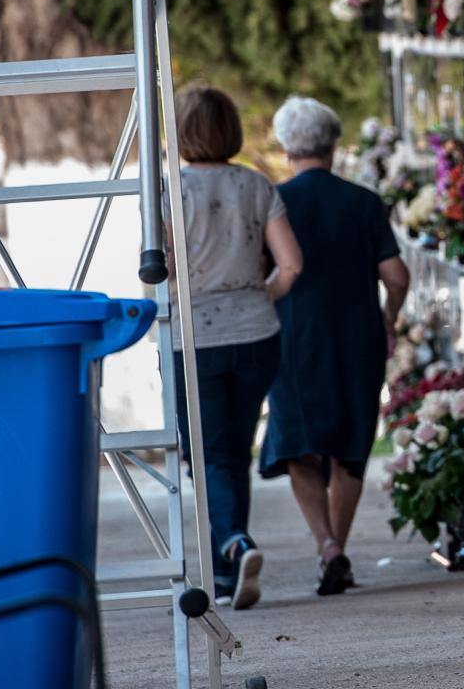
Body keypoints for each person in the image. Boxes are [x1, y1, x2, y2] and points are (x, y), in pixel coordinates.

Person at [261, 96, 410, 596]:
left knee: (300, 445)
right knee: (350, 444)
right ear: (334, 144)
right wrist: (388, 317)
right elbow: (396, 275)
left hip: (290, 338)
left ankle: (326, 545)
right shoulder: (363, 202)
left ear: (286, 149)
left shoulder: (273, 202)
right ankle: (337, 549)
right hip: (356, 338)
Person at [169, 84, 303, 610]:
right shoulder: (257, 185)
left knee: (205, 457)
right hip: (256, 335)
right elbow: (291, 264)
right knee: (231, 454)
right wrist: (259, 295)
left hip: (197, 337)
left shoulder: (170, 191)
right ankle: (228, 574)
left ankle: (234, 543)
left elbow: (162, 269)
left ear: (182, 131)